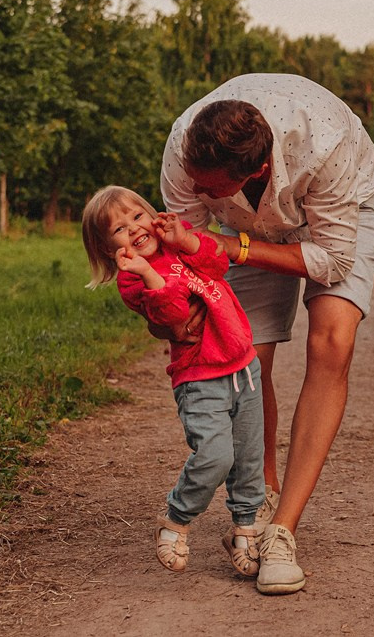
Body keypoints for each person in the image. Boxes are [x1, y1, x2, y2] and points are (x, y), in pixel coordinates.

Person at [160, 73, 374, 595]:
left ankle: (283, 530)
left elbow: (331, 259)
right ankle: (258, 499)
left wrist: (239, 249)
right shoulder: (184, 150)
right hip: (238, 224)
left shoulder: (325, 146)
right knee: (243, 357)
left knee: (332, 341)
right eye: (193, 180)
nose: (193, 191)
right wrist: (174, 313)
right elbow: (188, 244)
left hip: (336, 208)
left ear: (255, 171)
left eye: (208, 187)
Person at [82, 185, 265, 580]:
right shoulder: (132, 280)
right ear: (106, 249)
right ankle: (176, 519)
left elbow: (217, 266)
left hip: (244, 366)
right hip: (200, 377)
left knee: (250, 459)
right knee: (216, 456)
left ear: (151, 215)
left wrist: (186, 240)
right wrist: (149, 273)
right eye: (117, 229)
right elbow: (172, 315)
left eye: (136, 216)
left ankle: (245, 530)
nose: (132, 229)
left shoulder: (178, 242)